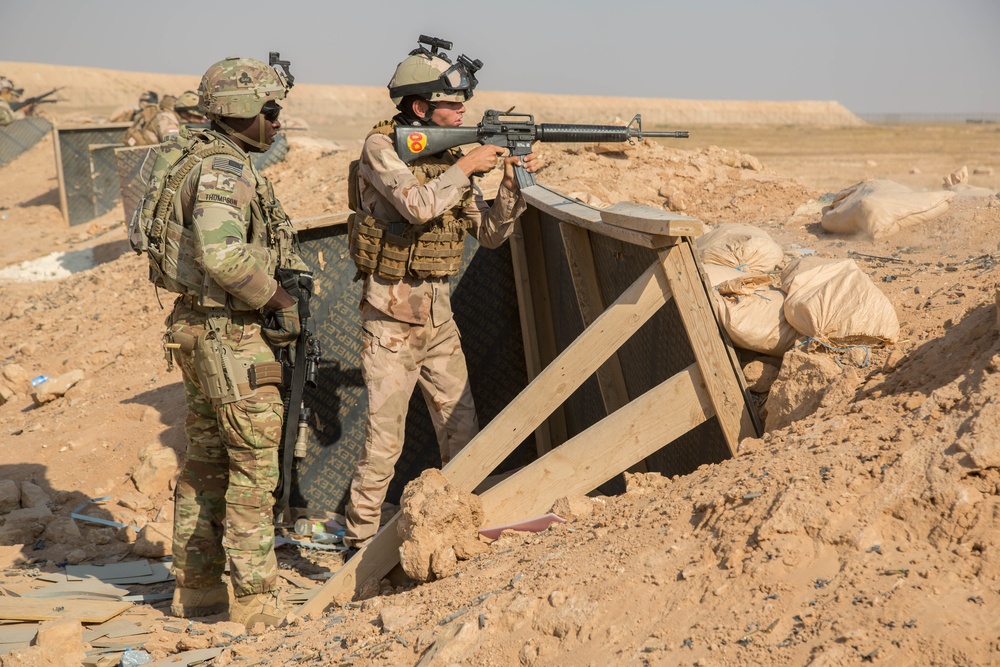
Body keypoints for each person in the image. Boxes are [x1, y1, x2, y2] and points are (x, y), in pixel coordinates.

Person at [342, 35, 538, 552]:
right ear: (420, 106)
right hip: (390, 321)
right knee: (384, 444)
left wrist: (513, 182)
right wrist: (469, 164)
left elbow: (491, 234)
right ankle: (358, 549)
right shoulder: (381, 147)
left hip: (438, 316)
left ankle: (457, 529)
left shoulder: (450, 156)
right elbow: (418, 205)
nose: (463, 111)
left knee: (462, 430)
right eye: (453, 105)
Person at [161, 56, 306, 629]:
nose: (276, 122)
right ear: (241, 113)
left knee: (205, 462)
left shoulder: (190, 158)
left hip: (196, 331)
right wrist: (279, 300)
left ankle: (197, 594)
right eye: (269, 111)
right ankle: (257, 605)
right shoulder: (224, 169)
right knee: (253, 469)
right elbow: (223, 256)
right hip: (230, 337)